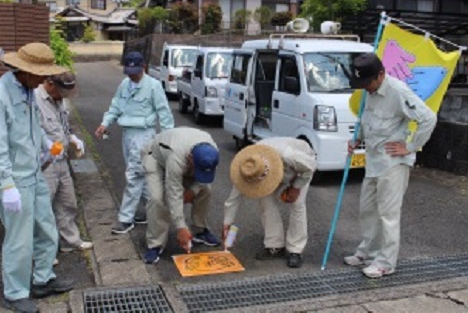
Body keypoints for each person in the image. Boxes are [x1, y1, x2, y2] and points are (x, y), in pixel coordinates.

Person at [0, 43, 74, 313]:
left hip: (34, 173)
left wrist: (47, 144)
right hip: (14, 180)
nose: (45, 80)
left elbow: (33, 127)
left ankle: (42, 278)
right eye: (40, 74)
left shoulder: (28, 91)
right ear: (22, 70)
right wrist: (7, 185)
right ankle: (15, 293)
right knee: (19, 239)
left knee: (47, 229)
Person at [345, 53, 437, 278]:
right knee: (367, 209)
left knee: (388, 214)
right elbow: (367, 120)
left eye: (368, 83)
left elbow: (428, 118)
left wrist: (411, 146)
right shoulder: (370, 92)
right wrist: (357, 139)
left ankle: (386, 262)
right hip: (373, 161)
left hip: (393, 163)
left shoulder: (398, 91)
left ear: (381, 74)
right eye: (361, 84)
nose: (365, 88)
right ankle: (369, 251)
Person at [95, 51, 174, 234]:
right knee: (143, 176)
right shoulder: (124, 84)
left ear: (143, 67)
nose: (132, 75)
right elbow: (115, 105)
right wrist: (105, 123)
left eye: (135, 71)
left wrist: (168, 139)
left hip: (144, 136)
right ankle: (154, 210)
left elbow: (164, 113)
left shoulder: (153, 86)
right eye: (129, 71)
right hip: (127, 135)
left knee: (134, 176)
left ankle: (126, 218)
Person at [223, 138, 316, 268]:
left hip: (302, 166)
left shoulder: (289, 155)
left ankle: (295, 250)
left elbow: (310, 167)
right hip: (277, 167)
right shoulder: (247, 167)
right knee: (265, 200)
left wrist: (296, 187)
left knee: (297, 204)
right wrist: (227, 224)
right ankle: (275, 246)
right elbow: (233, 198)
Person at [142, 127, 221, 264]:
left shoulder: (212, 152)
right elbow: (174, 191)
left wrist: (193, 191)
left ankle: (200, 230)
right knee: (157, 199)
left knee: (206, 190)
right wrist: (181, 227)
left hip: (185, 161)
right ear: (190, 158)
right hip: (155, 157)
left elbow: (205, 179)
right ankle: (155, 244)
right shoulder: (176, 158)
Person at [35, 72, 93, 253]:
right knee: (43, 208)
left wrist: (72, 137)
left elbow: (65, 124)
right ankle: (45, 251)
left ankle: (71, 240)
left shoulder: (60, 101)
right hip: (45, 163)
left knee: (67, 202)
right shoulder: (35, 100)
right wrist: (48, 146)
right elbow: (35, 131)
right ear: (50, 84)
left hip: (62, 160)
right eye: (61, 91)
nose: (63, 96)